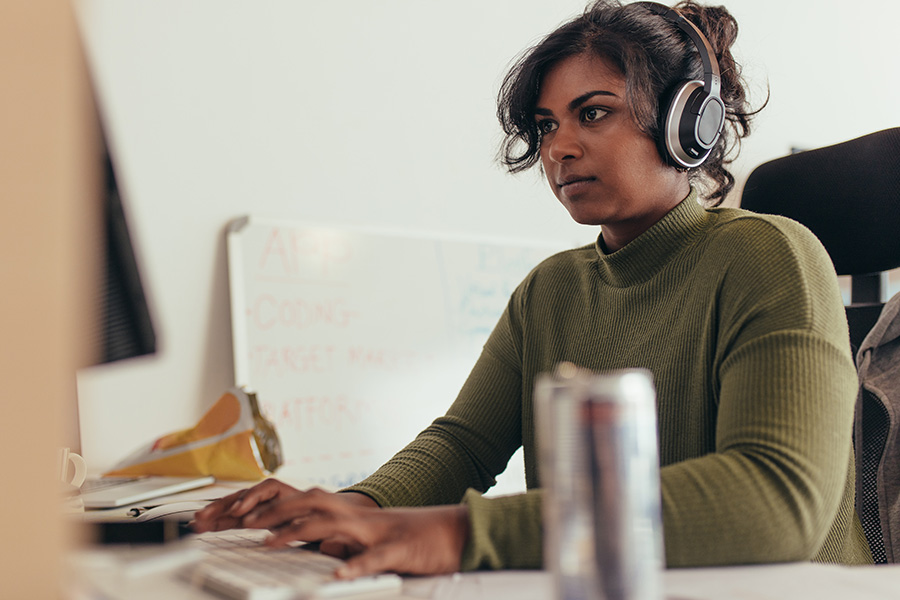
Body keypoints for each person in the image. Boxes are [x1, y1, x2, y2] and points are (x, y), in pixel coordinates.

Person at [193, 0, 874, 576]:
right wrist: (356, 511)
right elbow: (463, 444)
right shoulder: (550, 291)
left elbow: (776, 504)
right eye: (547, 125)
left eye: (594, 113)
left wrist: (462, 534)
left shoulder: (771, 256)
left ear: (687, 125)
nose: (558, 148)